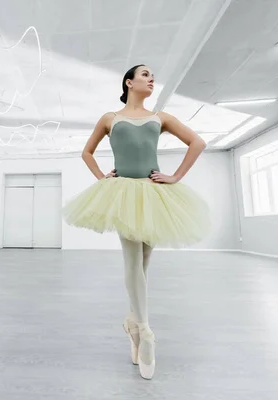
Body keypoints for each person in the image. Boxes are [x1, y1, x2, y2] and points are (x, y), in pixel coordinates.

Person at [62, 64, 211, 380]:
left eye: (152, 76)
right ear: (129, 82)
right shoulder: (110, 119)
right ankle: (145, 333)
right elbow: (87, 152)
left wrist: (175, 176)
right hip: (124, 192)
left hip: (153, 192)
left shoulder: (161, 118)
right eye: (145, 74)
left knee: (144, 261)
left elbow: (197, 143)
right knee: (132, 259)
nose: (151, 78)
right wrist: (102, 177)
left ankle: (132, 323)